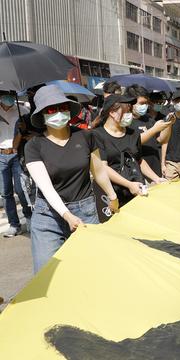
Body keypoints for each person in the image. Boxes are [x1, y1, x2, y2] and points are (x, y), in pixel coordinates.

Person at [25, 85, 118, 273]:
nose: (59, 113)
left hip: (86, 209)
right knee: (46, 274)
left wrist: (112, 196)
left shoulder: (85, 136)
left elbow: (99, 171)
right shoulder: (34, 146)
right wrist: (67, 215)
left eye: (63, 107)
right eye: (52, 110)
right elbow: (46, 188)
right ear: (42, 115)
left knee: (92, 269)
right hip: (48, 215)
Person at [94, 94, 165, 205]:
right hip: (112, 195)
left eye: (130, 112)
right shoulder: (97, 136)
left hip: (136, 191)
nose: (130, 116)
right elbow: (103, 168)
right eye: (126, 112)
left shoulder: (133, 134)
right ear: (112, 113)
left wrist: (156, 178)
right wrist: (128, 184)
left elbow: (139, 160)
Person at [0, 91, 32, 236]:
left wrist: (23, 129)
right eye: (7, 95)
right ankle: (14, 224)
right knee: (6, 193)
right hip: (1, 156)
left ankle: (30, 218)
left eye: (12, 95)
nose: (10, 98)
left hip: (17, 155)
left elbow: (30, 132)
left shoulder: (22, 111)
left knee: (21, 190)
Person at [126, 85, 173, 179]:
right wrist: (154, 129)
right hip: (139, 174)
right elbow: (133, 142)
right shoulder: (126, 121)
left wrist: (168, 125)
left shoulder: (148, 119)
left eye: (146, 103)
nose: (144, 106)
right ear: (131, 102)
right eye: (141, 103)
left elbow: (161, 140)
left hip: (155, 169)